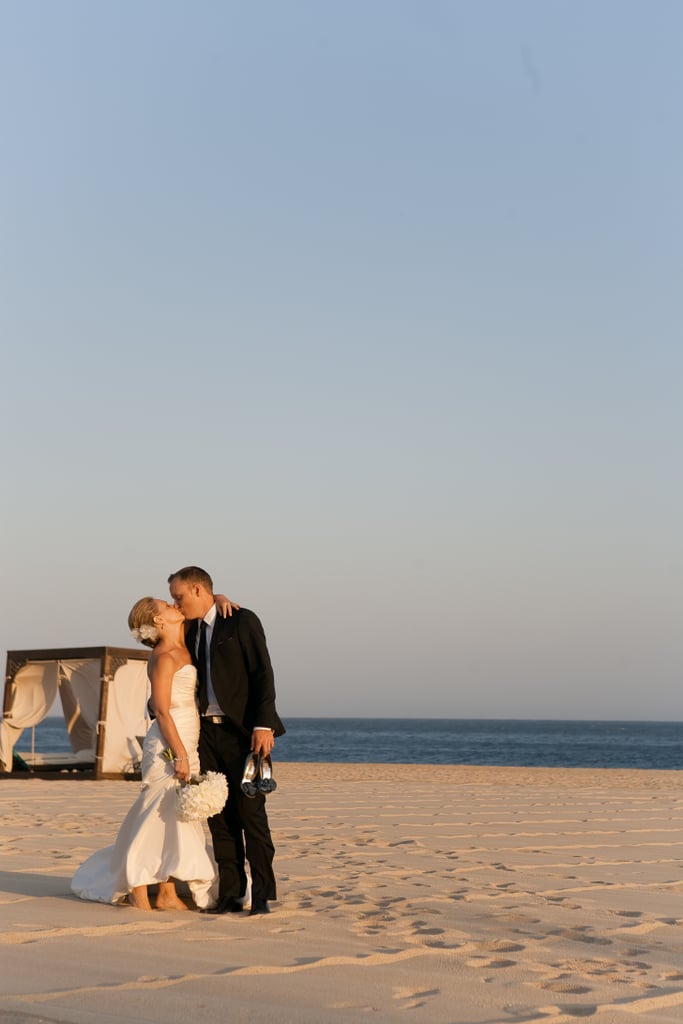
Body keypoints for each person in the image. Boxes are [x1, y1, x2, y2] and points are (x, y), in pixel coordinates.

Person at [71, 597, 218, 911]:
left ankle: (166, 892)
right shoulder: (165, 656)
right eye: (166, 604)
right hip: (168, 744)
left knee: (170, 815)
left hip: (184, 740)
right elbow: (162, 712)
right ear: (159, 621)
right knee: (155, 813)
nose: (174, 605)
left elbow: (204, 602)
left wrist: (219, 599)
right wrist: (179, 754)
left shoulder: (181, 646)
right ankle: (139, 888)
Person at [168, 565, 285, 916]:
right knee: (218, 816)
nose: (176, 605)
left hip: (244, 734)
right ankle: (232, 893)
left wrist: (263, 724)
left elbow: (263, 671)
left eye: (180, 597)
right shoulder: (186, 628)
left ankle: (263, 894)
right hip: (205, 736)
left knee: (251, 814)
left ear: (198, 591)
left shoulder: (241, 620)